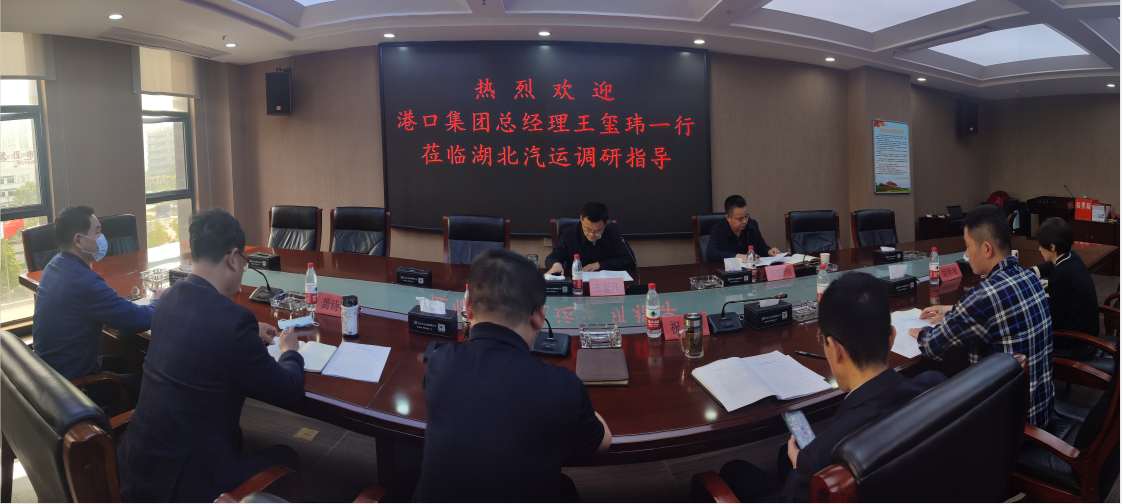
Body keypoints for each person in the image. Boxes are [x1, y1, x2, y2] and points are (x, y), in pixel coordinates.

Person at [117, 208, 305, 503]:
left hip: (137, 469)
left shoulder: (167, 299)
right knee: (286, 456)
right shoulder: (234, 322)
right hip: (187, 486)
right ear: (234, 258)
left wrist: (247, 331)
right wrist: (290, 351)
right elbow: (288, 391)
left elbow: (201, 326)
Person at [718, 272, 945, 502]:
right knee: (784, 457)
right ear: (891, 337)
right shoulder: (935, 384)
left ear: (835, 348)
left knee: (734, 470)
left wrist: (800, 469)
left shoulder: (819, 458)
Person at [414, 248, 612, 502]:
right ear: (540, 317)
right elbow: (602, 441)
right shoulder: (561, 387)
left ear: (468, 307)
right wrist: (576, 402)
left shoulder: (440, 364)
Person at [908, 205, 1054, 428]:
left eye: (967, 246)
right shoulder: (1029, 277)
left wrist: (920, 332)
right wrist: (955, 309)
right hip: (1041, 411)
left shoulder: (983, 297)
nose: (966, 254)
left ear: (987, 249)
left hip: (1010, 428)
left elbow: (933, 346)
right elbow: (997, 310)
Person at [32, 205, 162, 411]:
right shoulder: (86, 282)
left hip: (50, 374)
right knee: (154, 385)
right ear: (78, 240)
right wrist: (158, 300)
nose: (102, 238)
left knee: (119, 362)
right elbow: (139, 320)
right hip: (72, 388)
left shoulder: (55, 264)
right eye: (98, 232)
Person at [1031, 217, 1100, 358]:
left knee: (1030, 342)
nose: (1039, 249)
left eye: (1040, 245)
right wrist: (1033, 272)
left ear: (1052, 247)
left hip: (1078, 344)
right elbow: (1053, 265)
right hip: (1090, 334)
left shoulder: (1061, 275)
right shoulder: (1072, 257)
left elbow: (1052, 319)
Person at [545, 202, 636, 274]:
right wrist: (556, 265)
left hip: (605, 284)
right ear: (581, 219)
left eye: (598, 230)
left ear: (605, 223)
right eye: (588, 229)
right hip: (578, 283)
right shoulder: (569, 234)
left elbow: (630, 260)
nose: (592, 234)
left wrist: (599, 265)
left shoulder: (612, 233)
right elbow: (552, 258)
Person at [706, 195, 780, 262]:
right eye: (740, 219)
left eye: (746, 216)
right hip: (729, 270)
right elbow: (711, 254)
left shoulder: (752, 225)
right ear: (728, 217)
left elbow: (761, 247)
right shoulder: (718, 229)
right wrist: (739, 257)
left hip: (751, 268)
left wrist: (769, 251)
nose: (745, 221)